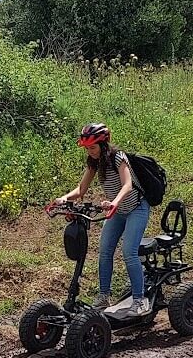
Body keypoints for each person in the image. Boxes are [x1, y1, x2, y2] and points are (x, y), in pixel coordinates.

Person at [53, 123, 151, 316]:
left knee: (129, 252)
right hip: (117, 211)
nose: (90, 152)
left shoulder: (117, 157)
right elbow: (81, 190)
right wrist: (64, 198)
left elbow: (127, 185)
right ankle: (104, 297)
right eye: (87, 148)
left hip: (136, 208)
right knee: (104, 252)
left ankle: (140, 301)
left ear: (103, 144)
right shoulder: (94, 162)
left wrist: (114, 202)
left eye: (93, 148)